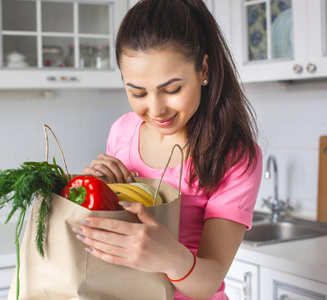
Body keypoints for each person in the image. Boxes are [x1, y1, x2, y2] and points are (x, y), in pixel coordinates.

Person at [72, 0, 263, 299]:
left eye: (172, 90)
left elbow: (209, 281)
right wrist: (98, 188)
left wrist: (168, 256)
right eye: (137, 93)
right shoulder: (122, 131)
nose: (156, 109)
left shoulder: (233, 156)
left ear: (203, 69)